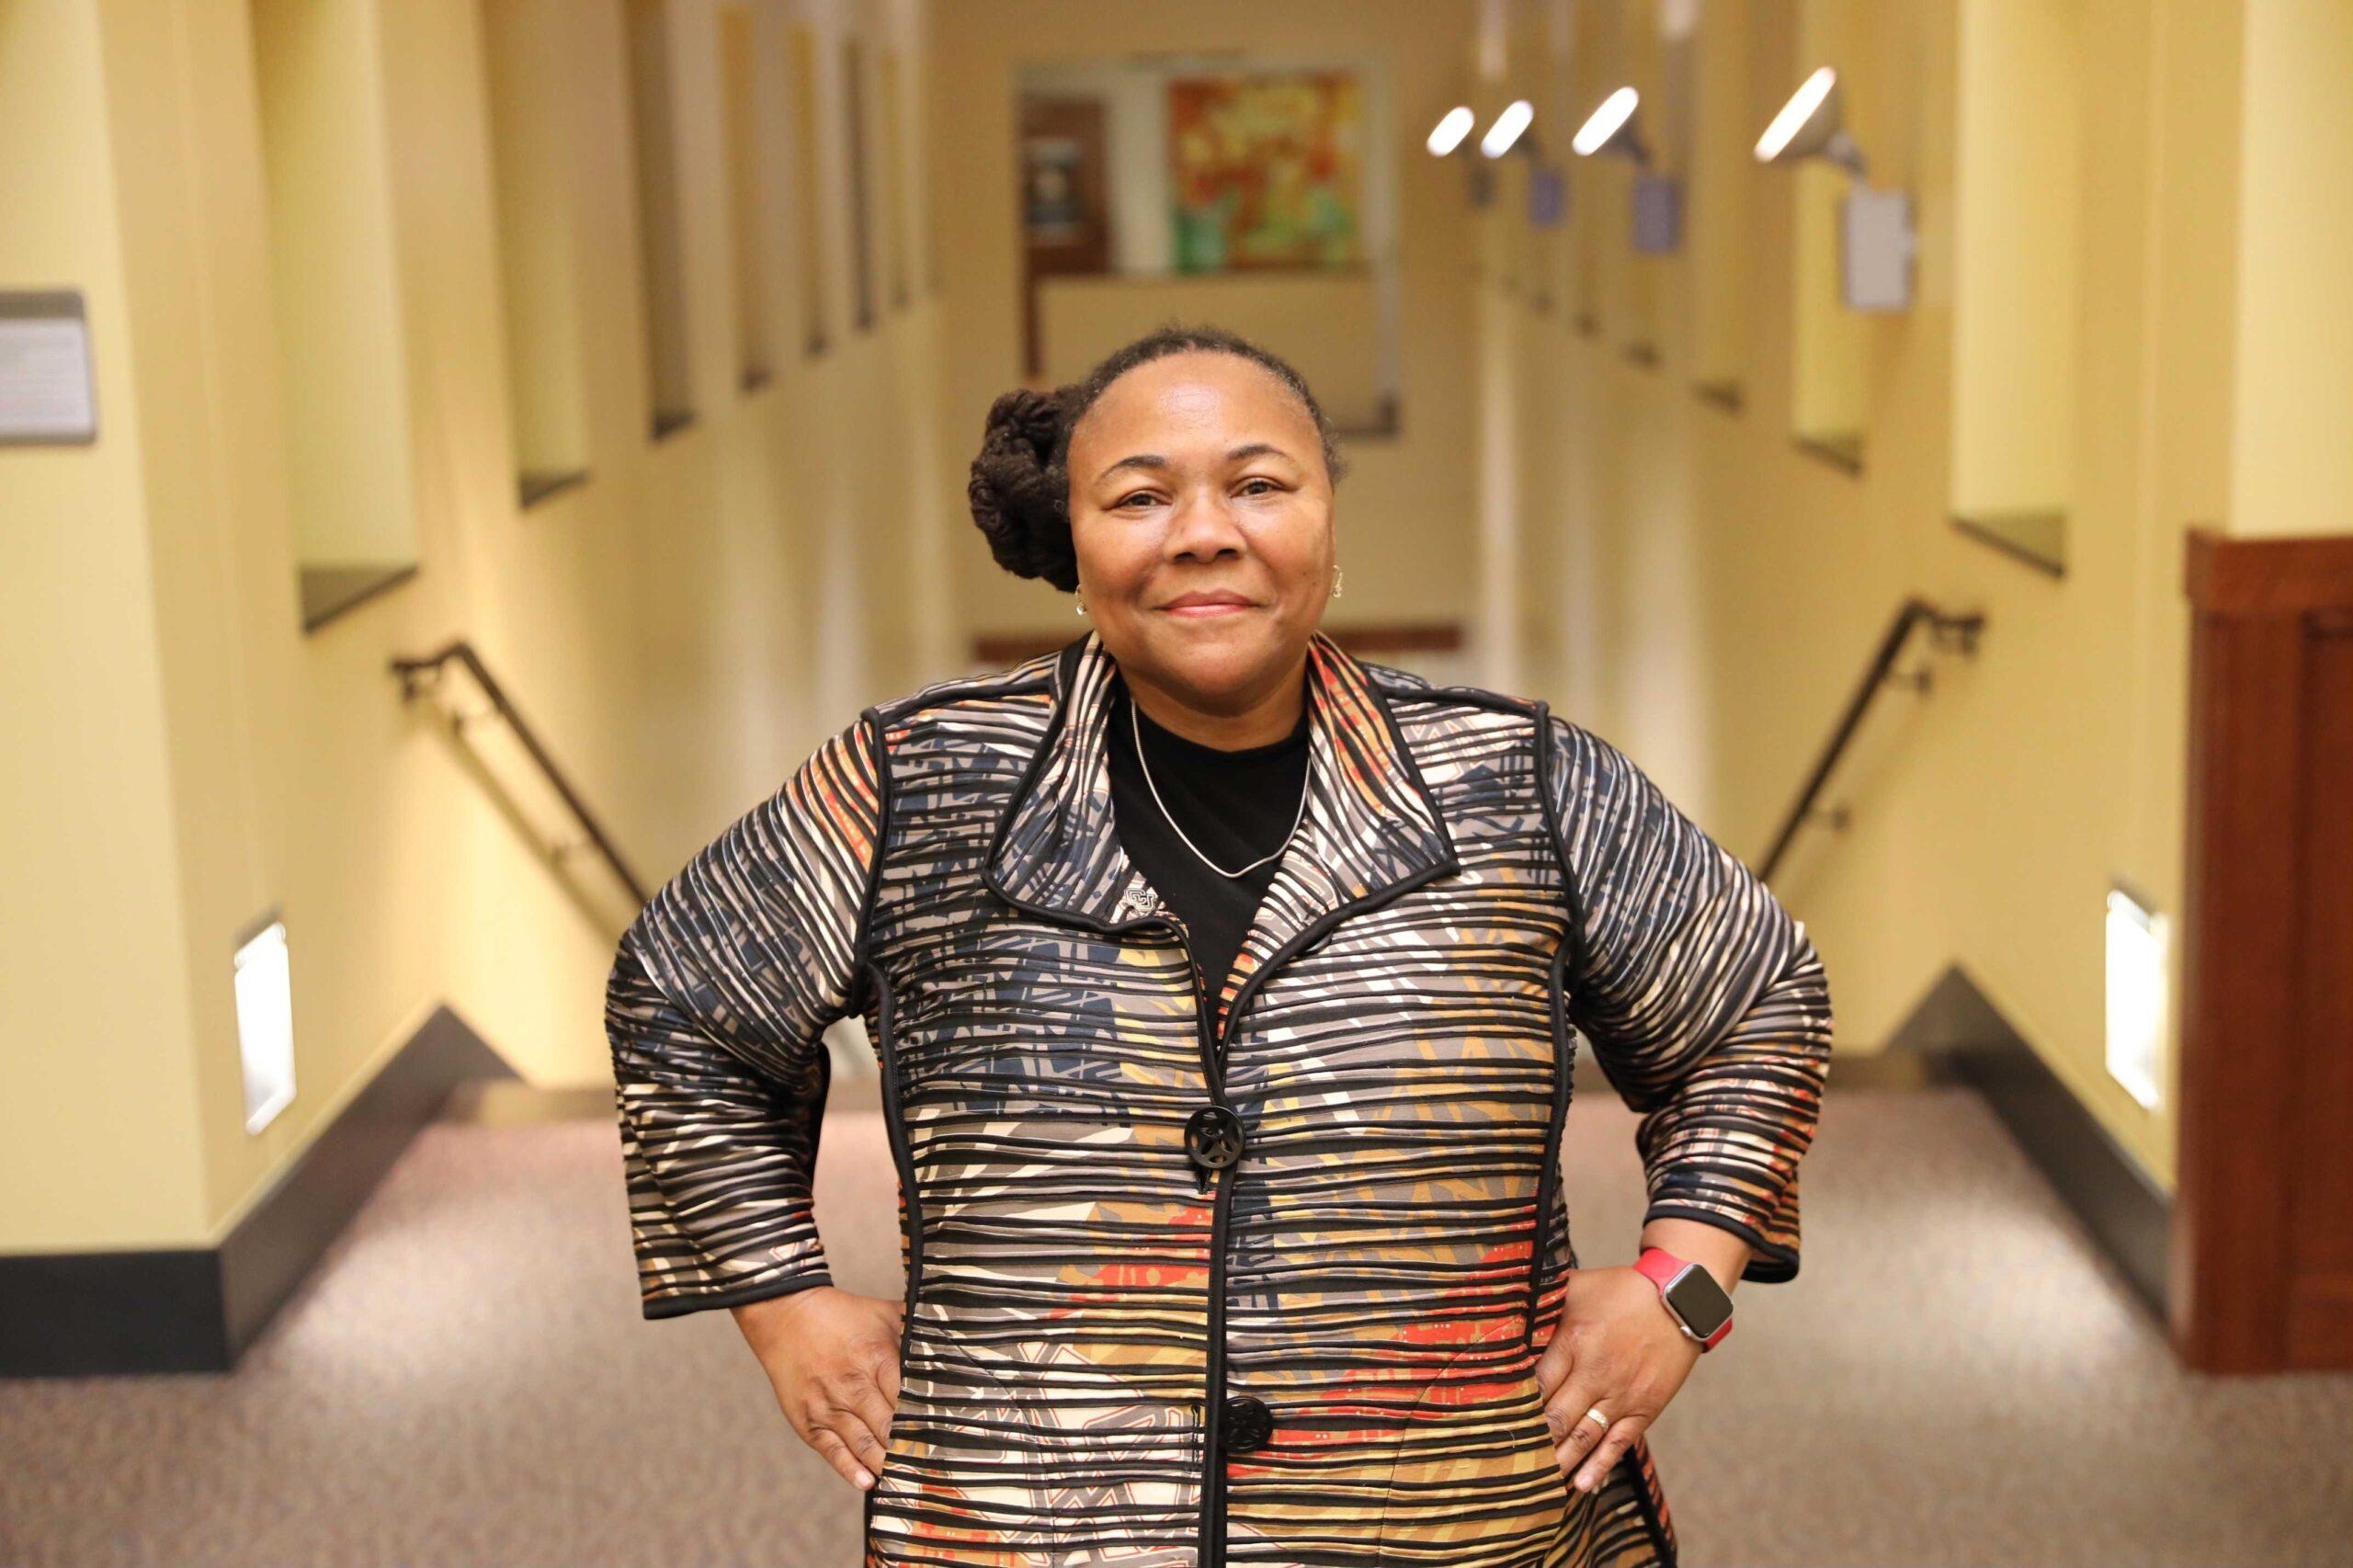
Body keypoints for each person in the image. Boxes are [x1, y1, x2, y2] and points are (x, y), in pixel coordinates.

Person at [604, 323, 1835, 1567]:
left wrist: (1685, 1282)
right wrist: (782, 1304)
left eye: (1258, 484)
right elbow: (680, 1003)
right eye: (1141, 495)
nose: (1204, 530)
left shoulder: (1515, 782)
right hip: (1036, 1529)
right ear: (1074, 545)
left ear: (1330, 527)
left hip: (1447, 1517)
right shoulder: (920, 787)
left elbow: (1756, 1005)